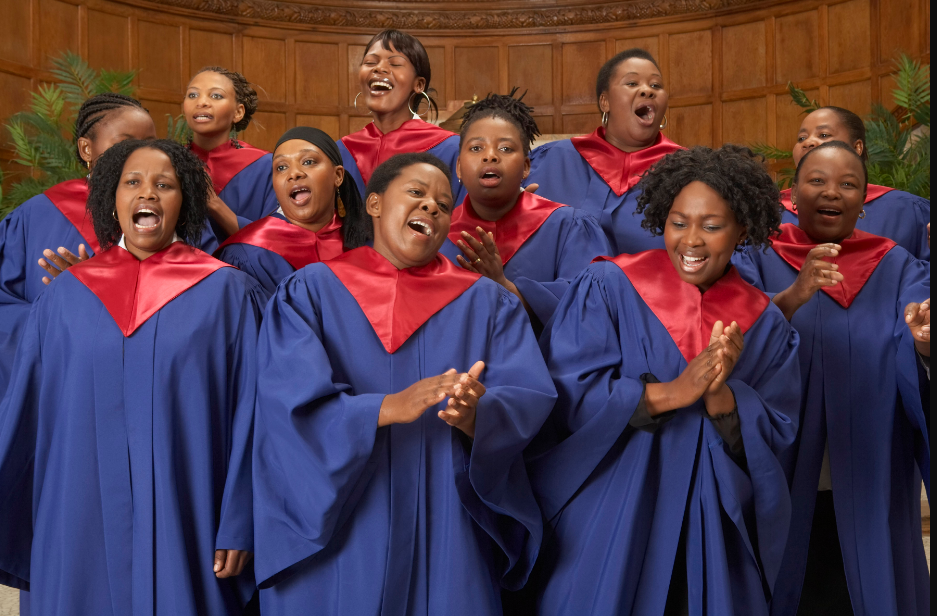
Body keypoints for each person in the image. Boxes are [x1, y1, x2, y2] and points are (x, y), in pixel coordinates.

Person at [251, 153, 557, 615]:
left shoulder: (488, 304)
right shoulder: (310, 292)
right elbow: (285, 403)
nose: (432, 206)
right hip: (344, 523)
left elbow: (527, 398)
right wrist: (387, 407)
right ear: (374, 204)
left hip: (447, 518)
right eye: (416, 193)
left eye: (443, 204)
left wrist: (477, 415)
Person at [530, 146, 801, 616]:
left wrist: (722, 397)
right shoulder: (610, 285)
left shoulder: (765, 322)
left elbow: (777, 435)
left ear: (741, 231)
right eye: (678, 222)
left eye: (711, 226)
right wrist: (672, 393)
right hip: (617, 505)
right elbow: (569, 393)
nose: (691, 240)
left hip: (713, 521)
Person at [0, 139, 262, 616]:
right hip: (76, 517)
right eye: (133, 182)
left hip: (190, 515)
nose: (148, 193)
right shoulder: (66, 296)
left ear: (184, 202)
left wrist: (241, 519)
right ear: (111, 198)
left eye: (165, 185)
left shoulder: (227, 293)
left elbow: (255, 414)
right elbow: (26, 419)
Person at [733, 141, 930, 616]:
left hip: (870, 460)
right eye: (817, 181)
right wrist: (791, 296)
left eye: (849, 184)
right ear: (793, 193)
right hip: (778, 461)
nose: (832, 192)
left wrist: (923, 342)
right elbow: (731, 337)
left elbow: (915, 342)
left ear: (864, 202)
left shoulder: (896, 265)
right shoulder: (755, 256)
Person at [0, 93, 156, 400]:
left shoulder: (169, 213)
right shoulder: (36, 215)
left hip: (143, 381)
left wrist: (105, 288)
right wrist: (64, 304)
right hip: (61, 384)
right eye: (125, 143)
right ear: (87, 149)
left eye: (150, 144)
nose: (140, 154)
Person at [438, 90, 610, 330]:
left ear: (526, 167)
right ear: (458, 167)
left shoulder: (568, 227)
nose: (490, 156)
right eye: (476, 148)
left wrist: (506, 288)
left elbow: (589, 307)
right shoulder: (438, 236)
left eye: (505, 149)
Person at [524, 48, 683, 255]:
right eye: (632, 83)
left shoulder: (686, 171)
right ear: (605, 102)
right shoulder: (552, 160)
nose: (647, 91)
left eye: (655, 85)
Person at [214, 127, 369, 298]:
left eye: (308, 162)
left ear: (338, 176)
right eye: (281, 167)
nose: (293, 174)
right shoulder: (248, 253)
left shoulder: (364, 241)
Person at [780, 106, 929, 260]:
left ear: (857, 147)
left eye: (823, 135)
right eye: (801, 138)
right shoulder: (771, 210)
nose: (808, 143)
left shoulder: (906, 210)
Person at [338, 29, 465, 206]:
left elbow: (464, 217)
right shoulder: (341, 152)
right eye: (370, 62)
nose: (379, 68)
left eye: (395, 64)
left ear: (419, 84)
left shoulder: (451, 149)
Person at [185, 66, 279, 240]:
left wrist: (214, 204)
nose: (201, 102)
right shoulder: (169, 162)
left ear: (238, 112)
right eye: (193, 95)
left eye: (216, 96)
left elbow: (272, 241)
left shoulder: (266, 166)